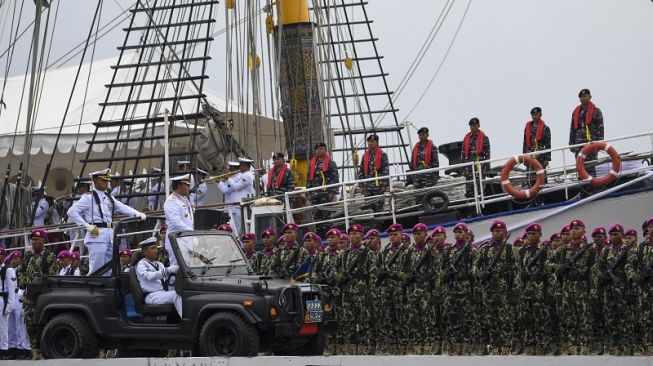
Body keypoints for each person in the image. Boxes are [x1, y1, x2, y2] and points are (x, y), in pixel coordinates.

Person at [67, 169, 146, 275]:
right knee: (97, 267)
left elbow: (123, 208)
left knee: (110, 267)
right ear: (95, 181)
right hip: (96, 234)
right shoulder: (88, 198)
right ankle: (94, 288)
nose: (106, 183)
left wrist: (137, 214)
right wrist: (86, 226)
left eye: (107, 181)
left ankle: (108, 288)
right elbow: (72, 212)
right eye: (103, 180)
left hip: (110, 235)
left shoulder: (109, 198)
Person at [549, 219, 595, 355]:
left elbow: (593, 272)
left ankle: (585, 345)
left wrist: (592, 290)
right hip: (567, 287)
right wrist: (557, 267)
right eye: (572, 229)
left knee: (585, 317)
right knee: (569, 317)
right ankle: (572, 344)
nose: (574, 230)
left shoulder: (589, 250)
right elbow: (548, 262)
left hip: (582, 286)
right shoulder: (563, 249)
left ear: (583, 232)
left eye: (577, 228)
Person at [473, 220, 517, 355]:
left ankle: (507, 345)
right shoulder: (485, 249)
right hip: (488, 290)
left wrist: (514, 290)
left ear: (505, 232)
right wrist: (480, 274)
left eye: (499, 231)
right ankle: (494, 345)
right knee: (491, 319)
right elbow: (475, 266)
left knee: (506, 319)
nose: (496, 233)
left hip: (504, 290)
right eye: (494, 231)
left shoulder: (511, 249)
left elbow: (516, 271)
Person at [17, 229, 58, 359]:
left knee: (43, 322)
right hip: (29, 296)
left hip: (43, 296)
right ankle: (35, 350)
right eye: (32, 240)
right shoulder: (28, 255)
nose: (34, 242)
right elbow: (21, 271)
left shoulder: (49, 256)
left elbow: (53, 276)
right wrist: (22, 281)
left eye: (36, 240)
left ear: (43, 241)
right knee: (30, 323)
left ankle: (46, 349)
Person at [597, 223, 634, 355]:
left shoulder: (628, 250)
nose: (613, 237)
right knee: (610, 319)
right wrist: (602, 277)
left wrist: (632, 291)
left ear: (622, 234)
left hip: (623, 290)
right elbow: (599, 268)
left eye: (616, 234)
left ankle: (628, 347)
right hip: (609, 291)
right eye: (611, 235)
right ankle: (614, 347)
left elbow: (632, 269)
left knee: (626, 319)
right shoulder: (606, 251)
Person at [516, 223, 550, 355]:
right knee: (526, 320)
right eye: (529, 234)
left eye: (533, 234)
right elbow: (516, 269)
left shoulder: (545, 250)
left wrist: (548, 292)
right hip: (525, 291)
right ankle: (529, 345)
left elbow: (549, 273)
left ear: (540, 235)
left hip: (539, 291)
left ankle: (542, 345)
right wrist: (521, 275)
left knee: (541, 320)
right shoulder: (522, 251)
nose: (530, 236)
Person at [441, 222, 474, 355]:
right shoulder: (448, 251)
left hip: (466, 288)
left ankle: (467, 345)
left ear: (467, 233)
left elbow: (474, 270)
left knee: (467, 319)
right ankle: (455, 345)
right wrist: (445, 274)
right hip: (451, 289)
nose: (458, 234)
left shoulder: (472, 251)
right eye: (455, 232)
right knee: (452, 319)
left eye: (460, 232)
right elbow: (442, 270)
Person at [136, 237, 181, 318]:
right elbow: (149, 276)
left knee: (183, 291)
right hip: (152, 295)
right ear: (145, 251)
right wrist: (168, 270)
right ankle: (186, 320)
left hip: (162, 293)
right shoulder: (141, 264)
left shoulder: (160, 264)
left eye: (156, 248)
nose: (156, 250)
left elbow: (166, 278)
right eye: (152, 248)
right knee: (177, 295)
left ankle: (176, 320)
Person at [569, 89, 605, 177]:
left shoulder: (596, 111)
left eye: (585, 96)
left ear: (590, 97)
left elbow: (600, 128)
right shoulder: (576, 112)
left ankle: (592, 188)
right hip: (578, 144)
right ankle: (582, 188)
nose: (582, 98)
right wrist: (571, 143)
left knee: (590, 166)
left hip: (591, 143)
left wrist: (600, 144)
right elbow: (572, 129)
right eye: (581, 97)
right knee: (580, 167)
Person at [163, 174, 194, 267]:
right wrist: (192, 232)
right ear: (180, 186)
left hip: (186, 240)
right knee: (176, 269)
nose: (189, 187)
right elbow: (176, 222)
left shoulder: (184, 199)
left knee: (188, 268)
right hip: (176, 241)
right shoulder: (171, 201)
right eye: (187, 185)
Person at [218, 158, 255, 235]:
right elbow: (229, 187)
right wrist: (227, 179)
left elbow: (236, 187)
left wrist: (228, 178)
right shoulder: (240, 176)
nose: (239, 167)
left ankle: (241, 244)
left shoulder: (247, 176)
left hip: (240, 206)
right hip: (235, 207)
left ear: (245, 165)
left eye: (240, 165)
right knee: (234, 229)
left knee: (239, 230)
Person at [4, 252, 30, 360]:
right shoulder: (8, 270)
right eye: (13, 258)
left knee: (20, 324)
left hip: (19, 296)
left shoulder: (23, 270)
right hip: (10, 297)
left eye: (18, 258)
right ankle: (13, 348)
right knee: (11, 325)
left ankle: (23, 348)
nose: (15, 260)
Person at [307, 143, 339, 226]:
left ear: (325, 150)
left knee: (327, 215)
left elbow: (334, 178)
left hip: (326, 194)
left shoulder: (331, 163)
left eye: (321, 149)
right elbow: (309, 178)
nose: (318, 151)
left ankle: (327, 232)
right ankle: (318, 233)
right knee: (316, 216)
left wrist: (332, 192)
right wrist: (308, 192)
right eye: (317, 149)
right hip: (315, 194)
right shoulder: (312, 164)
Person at [358, 134, 390, 212]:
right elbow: (361, 171)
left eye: (372, 141)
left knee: (378, 206)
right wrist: (361, 185)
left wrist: (384, 185)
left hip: (378, 186)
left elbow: (385, 170)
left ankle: (380, 223)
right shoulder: (365, 156)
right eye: (369, 142)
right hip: (367, 187)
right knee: (368, 207)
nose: (370, 143)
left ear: (377, 142)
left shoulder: (383, 155)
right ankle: (371, 224)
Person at [460, 118, 491, 198]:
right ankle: (471, 205)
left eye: (474, 125)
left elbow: (487, 155)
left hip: (480, 165)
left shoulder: (484, 138)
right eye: (471, 126)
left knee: (480, 187)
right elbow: (463, 154)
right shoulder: (466, 138)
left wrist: (486, 168)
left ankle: (481, 203)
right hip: (468, 166)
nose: (473, 127)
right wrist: (462, 169)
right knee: (469, 188)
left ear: (478, 125)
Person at [523, 107, 552, 187]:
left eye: (536, 114)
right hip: (530, 154)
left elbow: (548, 144)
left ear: (540, 115)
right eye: (533, 115)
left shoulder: (546, 128)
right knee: (530, 176)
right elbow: (525, 142)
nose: (534, 116)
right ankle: (530, 190)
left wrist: (547, 158)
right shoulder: (528, 127)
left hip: (541, 155)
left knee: (541, 175)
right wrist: (524, 156)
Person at [0, 252, 17, 360]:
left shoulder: (8, 270)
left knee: (3, 326)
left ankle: (4, 350)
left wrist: (10, 305)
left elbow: (11, 289)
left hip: (3, 300)